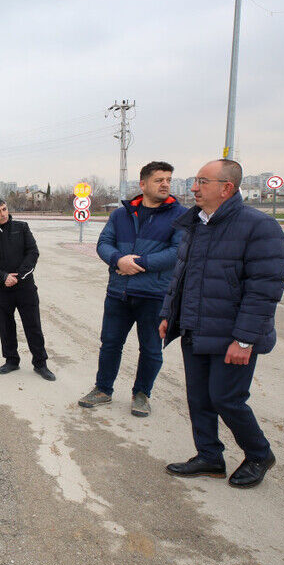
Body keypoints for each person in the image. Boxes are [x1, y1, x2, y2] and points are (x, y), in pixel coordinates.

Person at [159, 159, 284, 488]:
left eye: (202, 181)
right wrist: (168, 315)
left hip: (231, 335)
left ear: (226, 188)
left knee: (226, 398)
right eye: (195, 180)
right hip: (194, 328)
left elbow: (264, 290)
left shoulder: (258, 226)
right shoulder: (196, 224)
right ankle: (209, 457)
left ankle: (259, 454)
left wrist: (245, 340)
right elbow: (181, 275)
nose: (193, 188)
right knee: (199, 398)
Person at [78, 162, 186, 417]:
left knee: (150, 348)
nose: (165, 184)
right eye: (159, 180)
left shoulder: (179, 215)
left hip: (154, 295)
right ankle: (103, 389)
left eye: (168, 180)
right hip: (119, 292)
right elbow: (104, 242)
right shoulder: (121, 214)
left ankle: (141, 394)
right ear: (143, 184)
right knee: (110, 343)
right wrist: (117, 260)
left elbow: (177, 252)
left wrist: (136, 263)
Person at [0, 197, 55, 381]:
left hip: (25, 286)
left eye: (4, 209)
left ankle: (40, 363)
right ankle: (11, 360)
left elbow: (33, 252)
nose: (3, 213)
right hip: (0, 287)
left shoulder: (22, 227)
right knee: (5, 325)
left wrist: (18, 276)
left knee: (33, 324)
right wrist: (3, 277)